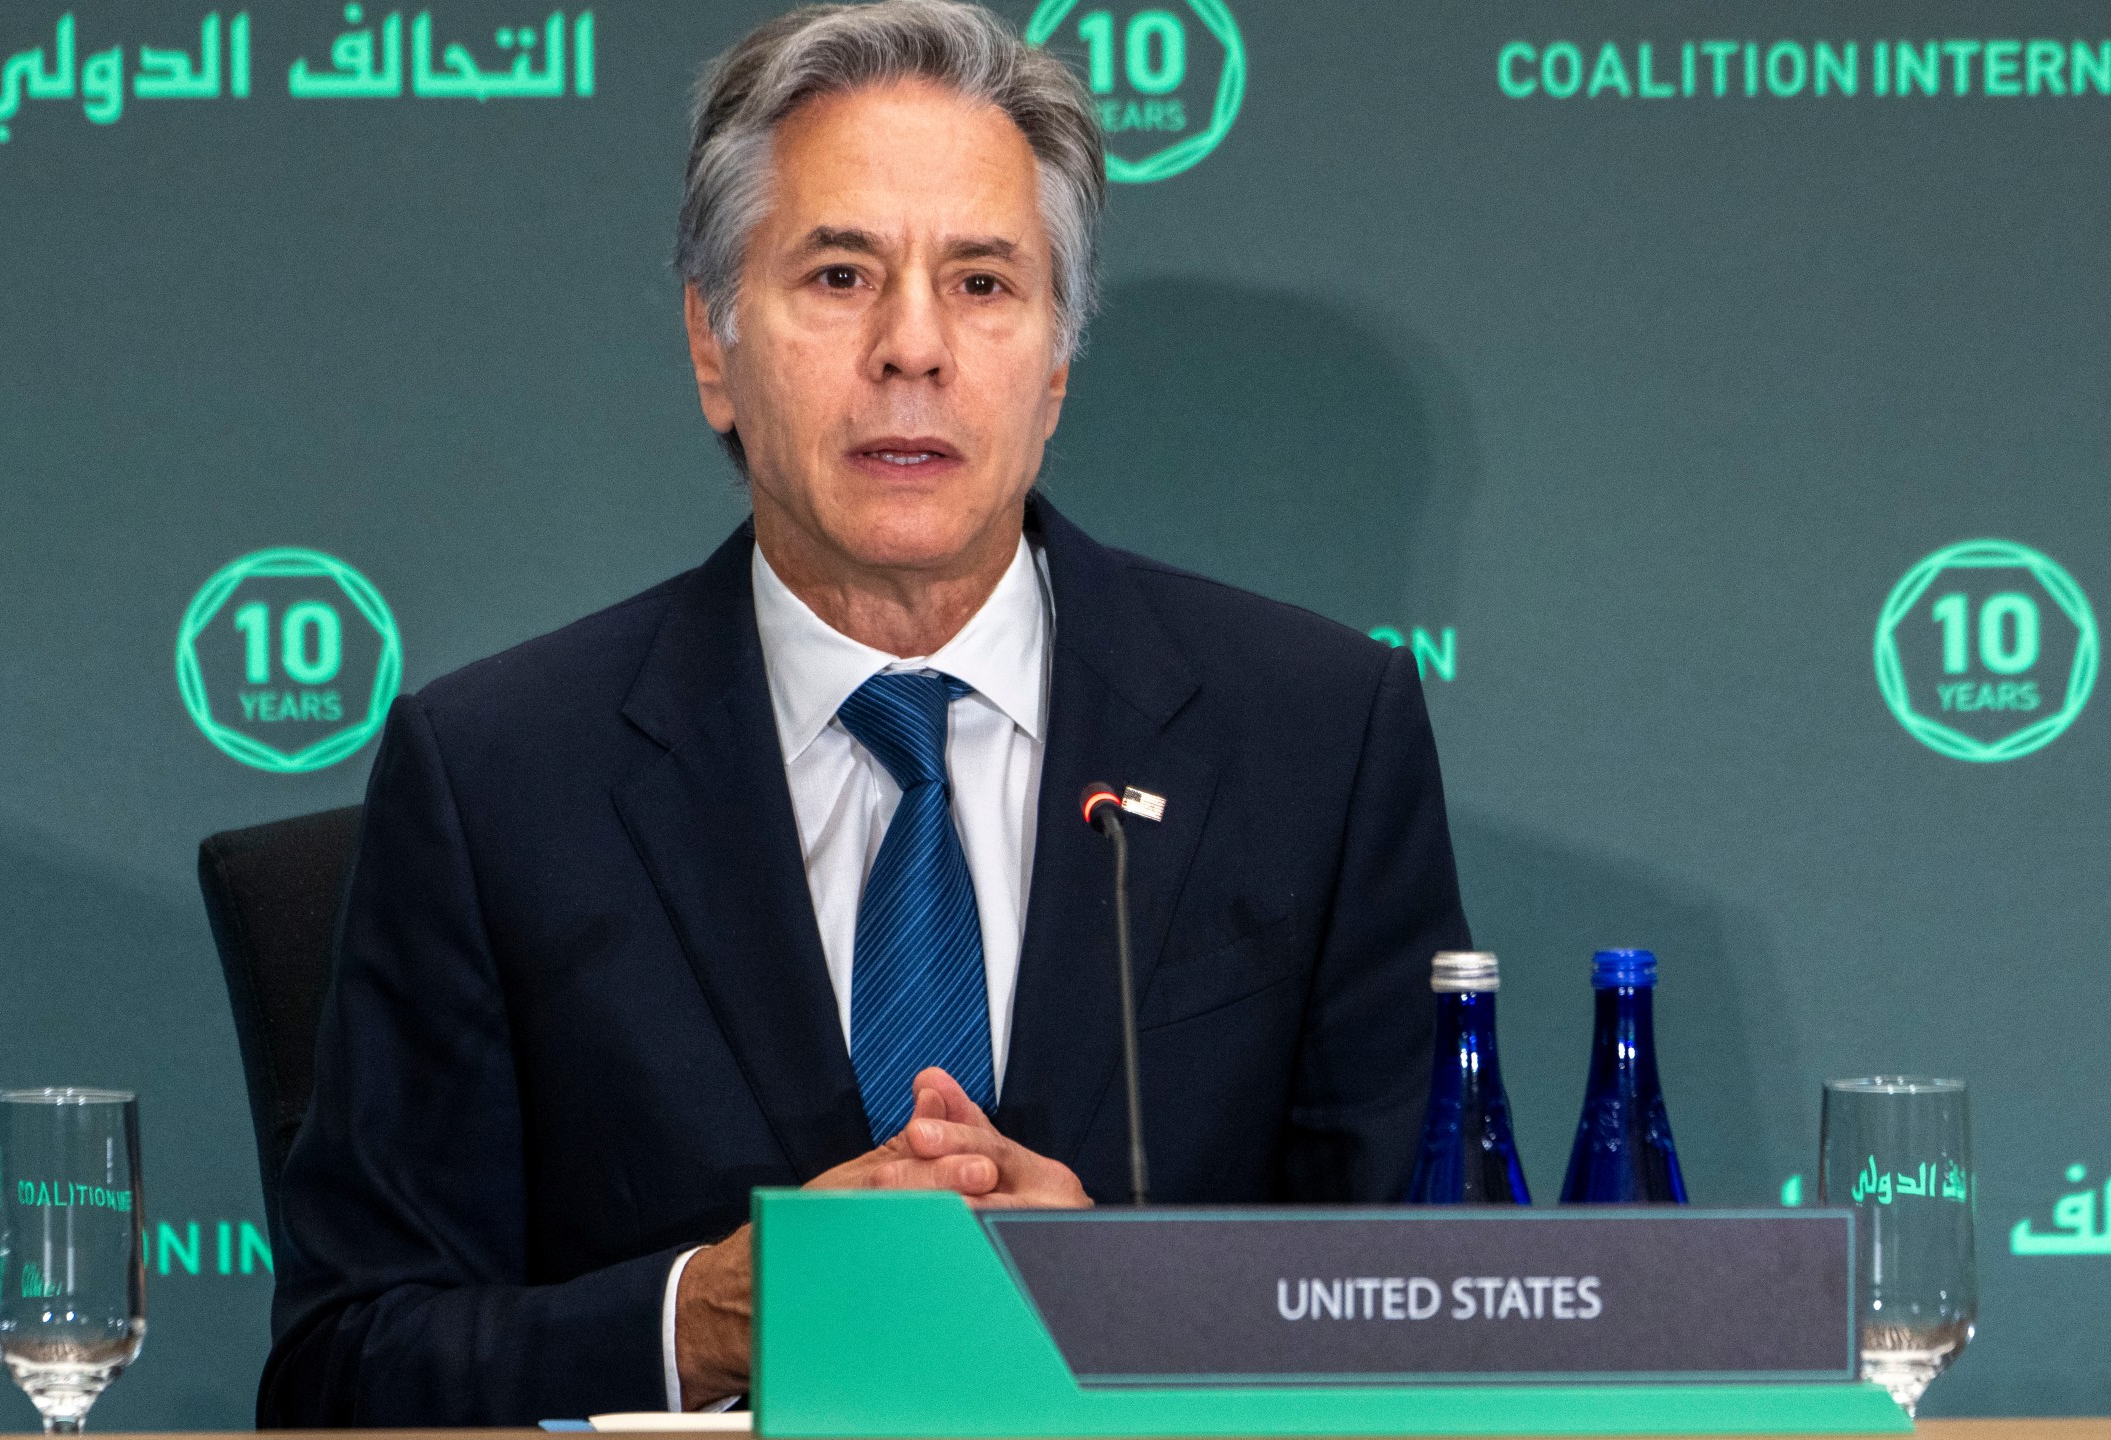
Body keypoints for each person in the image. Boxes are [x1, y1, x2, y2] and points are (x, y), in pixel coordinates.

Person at [260, 0, 1469, 1425]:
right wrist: (695, 1319)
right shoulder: (498, 778)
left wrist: (1130, 1297)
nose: (913, 348)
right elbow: (342, 1371)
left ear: (1057, 364)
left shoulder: (1316, 740)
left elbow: (1434, 1312)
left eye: (981, 284)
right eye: (839, 275)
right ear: (715, 348)